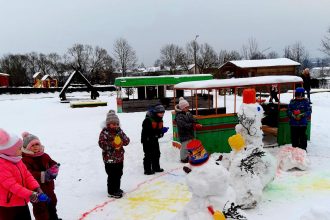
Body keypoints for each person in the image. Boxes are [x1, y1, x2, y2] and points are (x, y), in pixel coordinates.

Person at [0, 128, 48, 220]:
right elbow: (12, 185)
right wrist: (30, 194)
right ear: (9, 151)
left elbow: (27, 175)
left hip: (21, 201)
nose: (21, 150)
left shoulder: (17, 160)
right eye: (19, 148)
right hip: (8, 206)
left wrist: (36, 187)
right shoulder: (1, 165)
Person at [21, 132, 61, 220]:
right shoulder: (25, 160)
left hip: (49, 188)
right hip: (36, 191)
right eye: (32, 145)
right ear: (27, 147)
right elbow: (29, 174)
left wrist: (54, 168)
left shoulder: (44, 155)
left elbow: (51, 162)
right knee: (41, 209)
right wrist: (44, 175)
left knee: (52, 203)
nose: (35, 146)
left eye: (37, 144)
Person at [98, 110, 130, 198]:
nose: (115, 126)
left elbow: (127, 141)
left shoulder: (119, 131)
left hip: (119, 158)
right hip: (109, 159)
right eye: (113, 124)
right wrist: (112, 144)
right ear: (108, 124)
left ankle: (117, 188)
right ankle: (111, 191)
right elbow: (102, 144)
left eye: (117, 124)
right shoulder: (104, 133)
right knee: (112, 175)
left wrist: (121, 141)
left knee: (119, 174)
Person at [141, 104, 168, 175]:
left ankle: (156, 167)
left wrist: (162, 132)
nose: (162, 114)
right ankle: (147, 170)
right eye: (160, 113)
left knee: (156, 153)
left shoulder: (159, 120)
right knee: (148, 154)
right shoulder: (147, 120)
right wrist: (160, 131)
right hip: (147, 140)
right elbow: (149, 132)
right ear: (155, 112)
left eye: (163, 113)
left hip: (154, 139)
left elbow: (158, 132)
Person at [175, 97, 202, 163]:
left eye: (188, 107)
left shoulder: (188, 113)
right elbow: (183, 125)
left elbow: (192, 119)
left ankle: (191, 156)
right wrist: (193, 125)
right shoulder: (179, 115)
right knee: (184, 147)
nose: (187, 109)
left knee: (191, 145)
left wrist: (196, 123)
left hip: (189, 133)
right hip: (183, 134)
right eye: (186, 107)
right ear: (182, 108)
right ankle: (183, 158)